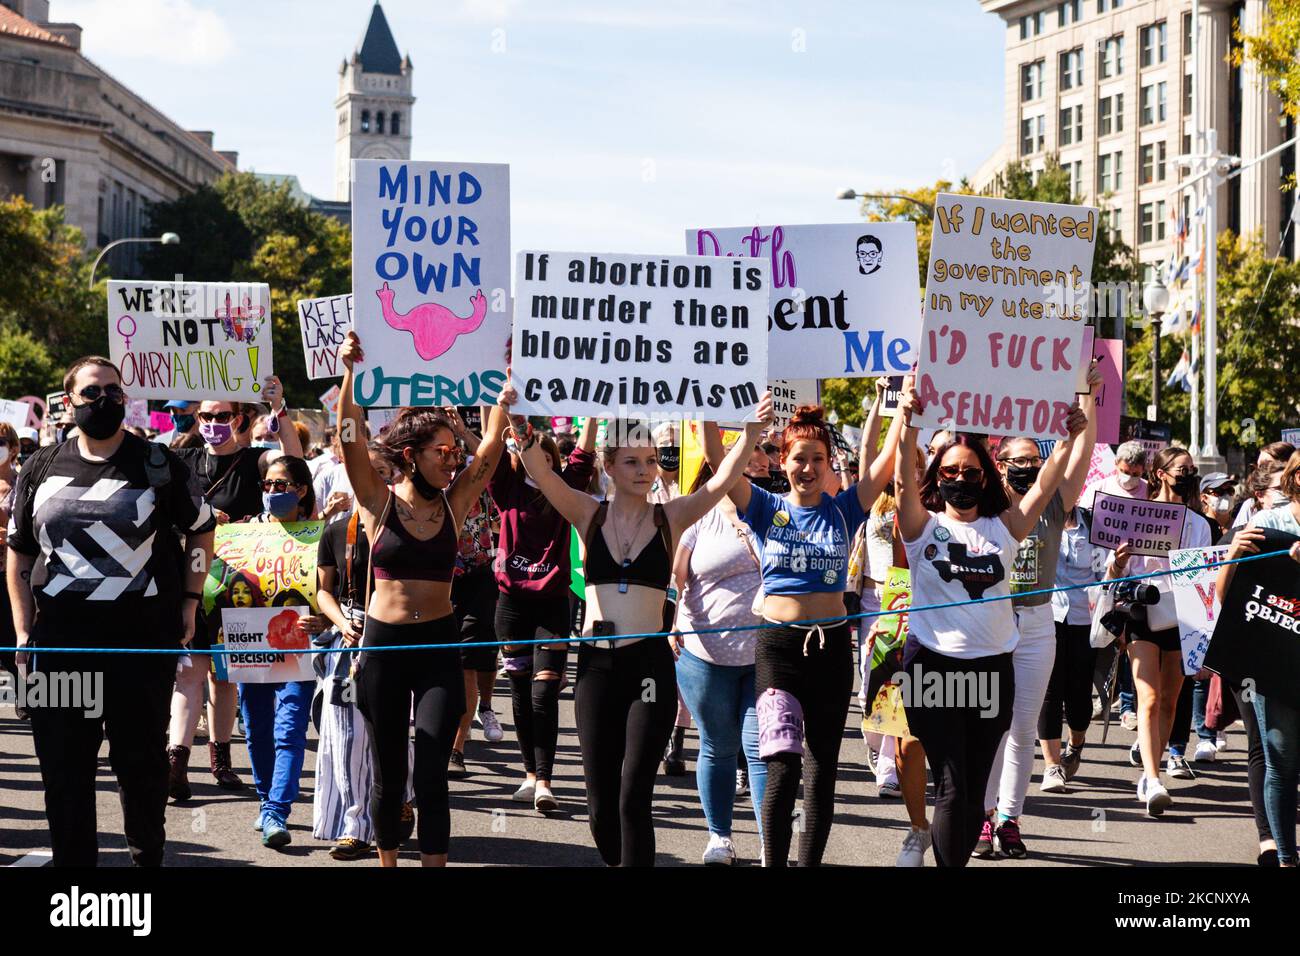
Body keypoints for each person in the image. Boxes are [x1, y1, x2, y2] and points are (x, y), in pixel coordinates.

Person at [502, 382, 772, 867]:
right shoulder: (588, 514)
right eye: (632, 461)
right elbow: (542, 472)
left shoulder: (671, 517)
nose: (645, 470)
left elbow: (721, 478)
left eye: (650, 460)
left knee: (632, 797)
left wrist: (751, 433)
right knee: (601, 807)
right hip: (596, 670)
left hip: (647, 669)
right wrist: (517, 420)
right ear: (608, 466)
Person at [8, 356, 215, 866]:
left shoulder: (160, 464)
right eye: (92, 393)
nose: (105, 401)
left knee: (142, 771)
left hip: (139, 647)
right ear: (69, 402)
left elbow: (202, 529)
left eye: (114, 392)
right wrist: (22, 633)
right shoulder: (39, 467)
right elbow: (18, 555)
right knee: (63, 774)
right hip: (57, 647)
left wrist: (189, 600)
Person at [893, 381, 1084, 867]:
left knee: (975, 786)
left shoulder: (1005, 528)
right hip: (933, 669)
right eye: (951, 470)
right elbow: (899, 486)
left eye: (970, 471)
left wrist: (1069, 435)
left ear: (985, 477)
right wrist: (908, 419)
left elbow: (1044, 487)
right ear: (938, 477)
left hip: (992, 671)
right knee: (954, 784)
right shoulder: (923, 528)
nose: (960, 477)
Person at [707, 400, 904, 867]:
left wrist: (899, 408)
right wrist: (709, 407)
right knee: (780, 768)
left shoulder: (844, 511)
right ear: (782, 461)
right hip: (778, 650)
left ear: (829, 464)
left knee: (820, 774)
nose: (808, 467)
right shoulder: (763, 507)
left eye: (818, 458)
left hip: (833, 649)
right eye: (799, 458)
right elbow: (720, 463)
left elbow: (885, 460)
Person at [338, 331, 509, 867]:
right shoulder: (376, 503)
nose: (454, 461)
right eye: (443, 452)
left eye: (456, 452)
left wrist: (501, 391)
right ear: (410, 456)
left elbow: (490, 452)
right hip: (384, 649)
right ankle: (389, 861)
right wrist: (349, 374)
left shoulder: (456, 504)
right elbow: (347, 437)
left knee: (432, 767)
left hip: (438, 645)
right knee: (390, 773)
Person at [979, 366, 1099, 859]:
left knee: (1024, 728)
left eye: (1035, 459)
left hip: (1037, 624)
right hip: (989, 625)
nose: (1028, 466)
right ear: (999, 463)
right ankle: (982, 818)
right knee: (994, 724)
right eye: (1018, 460)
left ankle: (1010, 818)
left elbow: (1082, 455)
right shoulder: (983, 508)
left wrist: (1086, 396)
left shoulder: (1052, 505)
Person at [167, 383, 302, 799]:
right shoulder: (181, 459)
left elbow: (294, 464)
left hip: (241, 586)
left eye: (222, 417)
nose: (211, 424)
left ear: (240, 419)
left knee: (226, 677)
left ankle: (221, 759)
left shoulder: (255, 461)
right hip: (191, 579)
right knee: (189, 671)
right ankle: (176, 760)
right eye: (205, 417)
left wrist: (279, 407)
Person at [488, 417, 596, 810]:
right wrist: (497, 406)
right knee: (519, 691)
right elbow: (492, 447)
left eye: (548, 458)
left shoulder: (567, 492)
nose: (541, 465)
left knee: (544, 692)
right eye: (533, 457)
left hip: (553, 604)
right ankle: (529, 774)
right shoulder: (507, 489)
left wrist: (593, 412)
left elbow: (584, 454)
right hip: (511, 605)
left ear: (554, 461)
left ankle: (546, 781)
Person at [669, 462, 766, 865]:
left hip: (763, 654)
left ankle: (771, 842)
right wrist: (671, 616)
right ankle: (719, 837)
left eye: (755, 463)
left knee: (761, 748)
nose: (750, 469)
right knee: (717, 745)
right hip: (703, 655)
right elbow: (676, 575)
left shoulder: (769, 513)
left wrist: (750, 534)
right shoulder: (694, 516)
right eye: (742, 463)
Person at [1108, 447, 1214, 816]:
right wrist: (1118, 562)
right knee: (1149, 699)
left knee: (1170, 701)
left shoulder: (1199, 524)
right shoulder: (1138, 515)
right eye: (1180, 469)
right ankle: (1153, 779)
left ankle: (1151, 758)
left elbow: (1204, 580)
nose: (1187, 474)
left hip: (1183, 617)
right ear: (1161, 474)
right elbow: (1116, 572)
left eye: (1191, 469)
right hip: (1142, 613)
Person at [235, 454, 328, 848]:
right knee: (256, 728)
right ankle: (264, 798)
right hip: (249, 641)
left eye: (282, 485)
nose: (273, 491)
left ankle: (277, 809)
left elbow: (328, 591)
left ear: (302, 490)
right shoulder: (242, 532)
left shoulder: (317, 536)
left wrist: (323, 619)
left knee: (289, 729)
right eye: (269, 485)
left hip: (297, 644)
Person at [1217, 450, 1300, 866]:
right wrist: (1234, 552)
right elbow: (1223, 596)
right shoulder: (1268, 525)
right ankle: (1286, 856)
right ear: (1294, 478)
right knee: (1280, 759)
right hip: (1277, 662)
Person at [444, 407, 506, 775]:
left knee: (470, 659)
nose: (447, 453)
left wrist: (464, 432)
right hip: (436, 576)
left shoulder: (474, 473)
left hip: (479, 573)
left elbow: (491, 455)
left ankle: (458, 747)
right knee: (440, 660)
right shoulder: (423, 477)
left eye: (452, 446)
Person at [1232, 442, 1295, 529]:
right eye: (1259, 465)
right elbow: (1237, 536)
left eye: (1266, 464)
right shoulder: (1251, 506)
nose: (1259, 470)